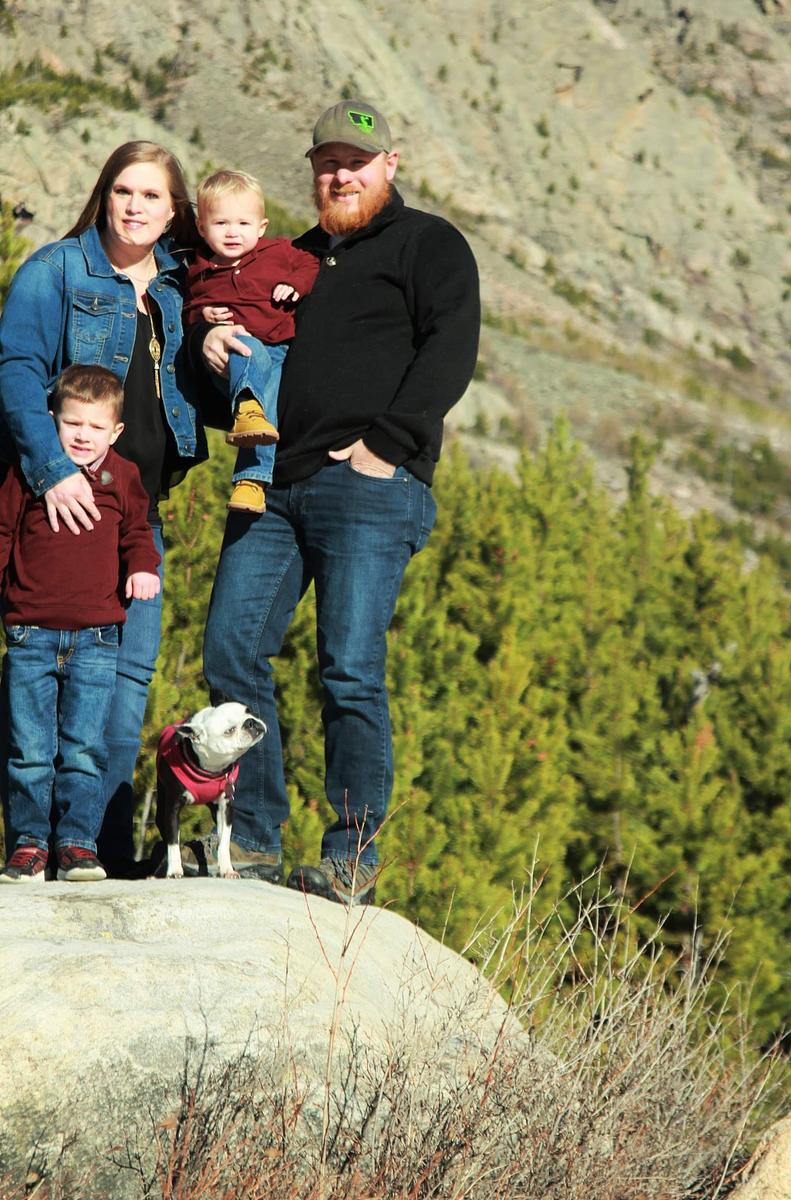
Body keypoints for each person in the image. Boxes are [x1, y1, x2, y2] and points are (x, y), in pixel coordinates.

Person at [193, 100, 481, 904]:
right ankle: (254, 839)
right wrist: (210, 347)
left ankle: (350, 857)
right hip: (272, 485)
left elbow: (451, 348)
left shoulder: (429, 243)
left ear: (391, 163)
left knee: (349, 669)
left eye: (356, 162)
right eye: (328, 164)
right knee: (231, 653)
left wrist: (384, 447)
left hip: (368, 485)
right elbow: (241, 371)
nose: (341, 176)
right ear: (313, 171)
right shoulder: (290, 258)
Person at [0, 140, 205, 875]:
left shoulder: (181, 287)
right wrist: (54, 470)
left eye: (152, 195)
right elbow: (16, 369)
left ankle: (98, 853)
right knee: (38, 699)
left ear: (174, 210)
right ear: (103, 194)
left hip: (136, 518)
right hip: (61, 509)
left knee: (122, 692)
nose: (134, 206)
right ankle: (32, 844)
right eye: (123, 190)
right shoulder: (57, 269)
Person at [0, 365, 160, 883]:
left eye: (95, 427)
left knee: (84, 750)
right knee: (29, 751)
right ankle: (29, 846)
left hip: (96, 639)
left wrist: (143, 567)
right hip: (30, 633)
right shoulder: (27, 472)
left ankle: (76, 846)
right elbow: (3, 532)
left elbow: (138, 532)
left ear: (116, 431)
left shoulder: (125, 476)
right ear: (52, 419)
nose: (83, 436)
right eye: (72, 424)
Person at [184, 169, 319, 513]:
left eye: (243, 224)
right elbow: (187, 310)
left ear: (261, 227)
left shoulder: (278, 252)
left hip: (279, 348)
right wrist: (203, 315)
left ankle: (251, 482)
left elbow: (309, 263)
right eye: (221, 223)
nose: (233, 232)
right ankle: (247, 408)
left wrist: (295, 284)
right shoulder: (199, 270)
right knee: (245, 346)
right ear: (202, 227)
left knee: (266, 414)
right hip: (237, 353)